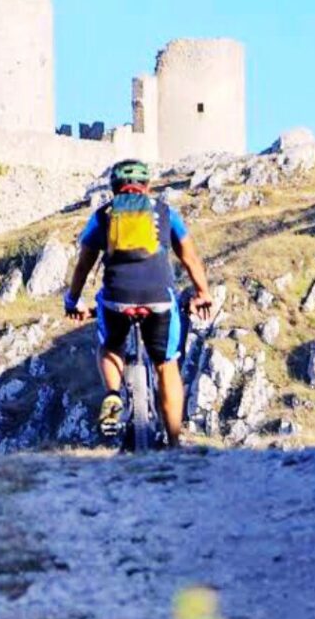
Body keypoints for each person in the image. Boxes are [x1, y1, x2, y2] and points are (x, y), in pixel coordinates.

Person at [63, 159, 213, 446]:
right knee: (166, 364)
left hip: (116, 297)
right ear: (148, 186)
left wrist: (72, 301)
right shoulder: (166, 212)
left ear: (113, 187)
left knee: (109, 346)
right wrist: (202, 292)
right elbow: (190, 258)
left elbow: (83, 265)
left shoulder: (103, 215)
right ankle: (174, 442)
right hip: (159, 298)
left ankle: (112, 396)